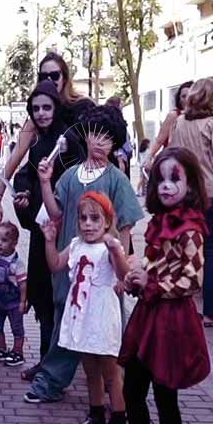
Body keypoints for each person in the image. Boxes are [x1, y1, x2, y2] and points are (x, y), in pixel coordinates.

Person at [25, 105, 144, 405]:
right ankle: (54, 380)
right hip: (73, 262)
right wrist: (44, 182)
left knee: (106, 330)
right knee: (68, 320)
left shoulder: (117, 179)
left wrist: (122, 271)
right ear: (86, 135)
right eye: (96, 134)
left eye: (108, 138)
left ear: (115, 143)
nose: (100, 142)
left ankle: (115, 391)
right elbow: (56, 212)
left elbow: (126, 225)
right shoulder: (70, 176)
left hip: (104, 272)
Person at [119, 147, 212, 424]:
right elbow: (154, 262)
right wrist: (135, 279)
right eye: (160, 180)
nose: (166, 186)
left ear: (190, 185)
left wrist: (153, 284)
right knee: (133, 389)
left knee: (164, 394)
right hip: (149, 315)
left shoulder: (191, 229)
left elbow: (193, 279)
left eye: (175, 178)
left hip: (171, 321)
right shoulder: (162, 221)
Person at [42, 192, 130, 424]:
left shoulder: (109, 246)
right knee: (91, 370)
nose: (88, 224)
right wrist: (50, 241)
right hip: (81, 315)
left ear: (107, 221)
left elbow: (123, 274)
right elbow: (55, 264)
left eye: (95, 218)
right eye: (83, 218)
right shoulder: (76, 244)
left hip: (101, 315)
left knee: (110, 373)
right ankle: (96, 415)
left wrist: (117, 252)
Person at [12, 79, 83, 380]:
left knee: (63, 297)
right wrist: (24, 193)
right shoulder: (39, 143)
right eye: (36, 108)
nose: (41, 113)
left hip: (66, 230)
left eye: (46, 107)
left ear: (56, 108)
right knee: (43, 297)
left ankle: (61, 366)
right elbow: (25, 175)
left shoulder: (69, 140)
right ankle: (46, 362)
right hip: (43, 231)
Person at [0, 52, 95, 220]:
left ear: (65, 78)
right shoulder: (37, 117)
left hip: (80, 193)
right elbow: (16, 156)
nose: (49, 80)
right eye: (44, 76)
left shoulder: (83, 107)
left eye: (54, 75)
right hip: (46, 196)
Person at [168, 78, 213, 327]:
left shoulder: (180, 123)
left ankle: (182, 309)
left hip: (186, 194)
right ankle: (209, 312)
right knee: (212, 251)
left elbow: (174, 155)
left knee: (186, 249)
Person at [0, 219, 28, 368]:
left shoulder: (17, 263)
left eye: (4, 240)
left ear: (14, 243)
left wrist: (22, 301)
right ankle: (1, 349)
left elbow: (23, 284)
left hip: (13, 302)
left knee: (17, 328)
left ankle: (18, 352)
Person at [143, 81, 194, 172]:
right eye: (183, 96)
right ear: (179, 99)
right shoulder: (173, 115)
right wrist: (149, 157)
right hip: (173, 160)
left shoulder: (200, 117)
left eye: (189, 96)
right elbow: (159, 141)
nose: (186, 99)